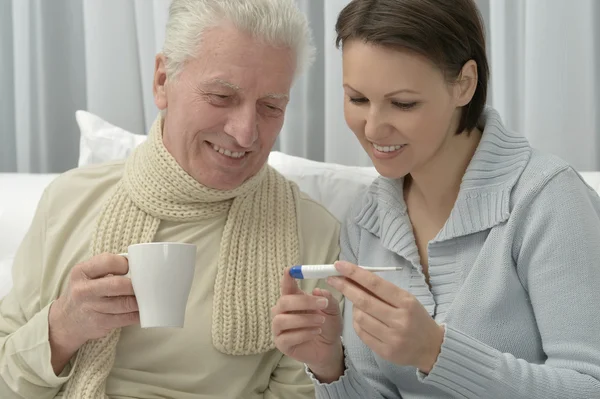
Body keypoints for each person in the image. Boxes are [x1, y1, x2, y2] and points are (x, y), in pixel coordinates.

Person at [0, 1, 342, 398]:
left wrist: (328, 363)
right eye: (220, 96)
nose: (246, 133)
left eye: (270, 107)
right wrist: (60, 329)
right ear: (163, 80)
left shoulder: (312, 235)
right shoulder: (68, 200)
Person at [272, 0, 600, 397]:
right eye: (357, 99)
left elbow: (588, 386)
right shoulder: (367, 221)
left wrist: (435, 351)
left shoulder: (546, 200)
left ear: (464, 83)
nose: (373, 127)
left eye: (403, 103)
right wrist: (329, 365)